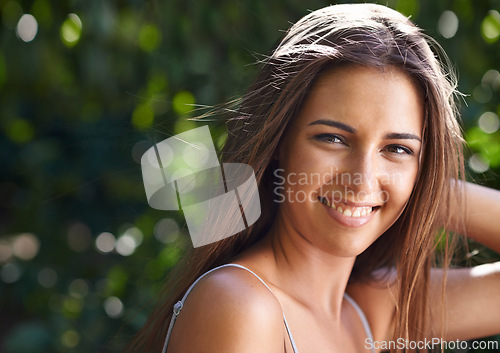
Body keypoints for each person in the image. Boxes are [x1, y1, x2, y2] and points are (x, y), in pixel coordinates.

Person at [126, 3, 500, 353]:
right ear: (278, 143)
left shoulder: (371, 312)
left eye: (397, 149)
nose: (362, 179)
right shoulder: (240, 304)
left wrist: (428, 190)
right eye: (333, 139)